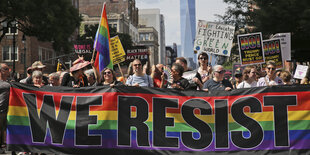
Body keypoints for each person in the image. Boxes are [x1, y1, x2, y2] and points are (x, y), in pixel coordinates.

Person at [0, 63, 10, 154]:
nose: (8, 70)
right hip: (0, 111)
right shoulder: (5, 85)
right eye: (6, 69)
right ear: (1, 71)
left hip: (6, 111)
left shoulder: (8, 83)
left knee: (3, 128)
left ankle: (2, 146)